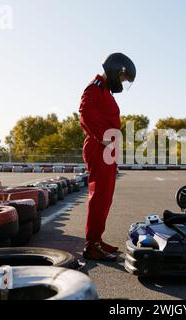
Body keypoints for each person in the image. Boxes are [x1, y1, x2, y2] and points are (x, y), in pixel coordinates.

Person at [79, 53, 136, 261]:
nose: (122, 82)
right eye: (123, 78)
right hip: (98, 147)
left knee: (105, 197)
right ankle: (92, 244)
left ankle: (97, 239)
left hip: (107, 150)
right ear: (116, 70)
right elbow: (84, 112)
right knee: (99, 196)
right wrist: (102, 138)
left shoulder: (105, 91)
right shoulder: (95, 87)